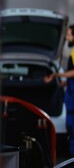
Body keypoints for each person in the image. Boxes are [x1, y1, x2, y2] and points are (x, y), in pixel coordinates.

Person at [44, 24, 74, 155]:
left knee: (72, 128)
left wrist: (57, 75)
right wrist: (64, 83)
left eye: (68, 35)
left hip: (73, 98)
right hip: (70, 94)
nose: (67, 38)